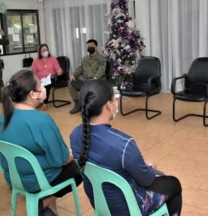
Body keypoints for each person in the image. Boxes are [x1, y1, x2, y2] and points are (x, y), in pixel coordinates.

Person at [70, 80, 182, 216]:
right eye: (114, 98)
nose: (116, 102)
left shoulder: (75, 134)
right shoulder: (124, 143)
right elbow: (146, 179)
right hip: (128, 209)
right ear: (108, 105)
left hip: (99, 203)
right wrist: (150, 168)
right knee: (174, 184)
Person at [0, 69, 83, 215]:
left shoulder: (3, 117)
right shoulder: (42, 121)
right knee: (77, 169)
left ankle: (50, 209)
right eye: (41, 85)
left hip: (14, 177)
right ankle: (46, 201)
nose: (44, 87)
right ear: (32, 94)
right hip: (37, 181)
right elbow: (61, 160)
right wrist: (71, 154)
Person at [68, 39, 107, 114]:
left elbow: (101, 70)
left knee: (87, 87)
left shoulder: (101, 58)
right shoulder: (85, 58)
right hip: (85, 79)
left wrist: (95, 78)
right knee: (71, 84)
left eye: (92, 45)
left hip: (97, 80)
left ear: (96, 46)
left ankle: (89, 106)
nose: (90, 47)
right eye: (88, 46)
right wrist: (73, 74)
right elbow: (80, 68)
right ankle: (77, 105)